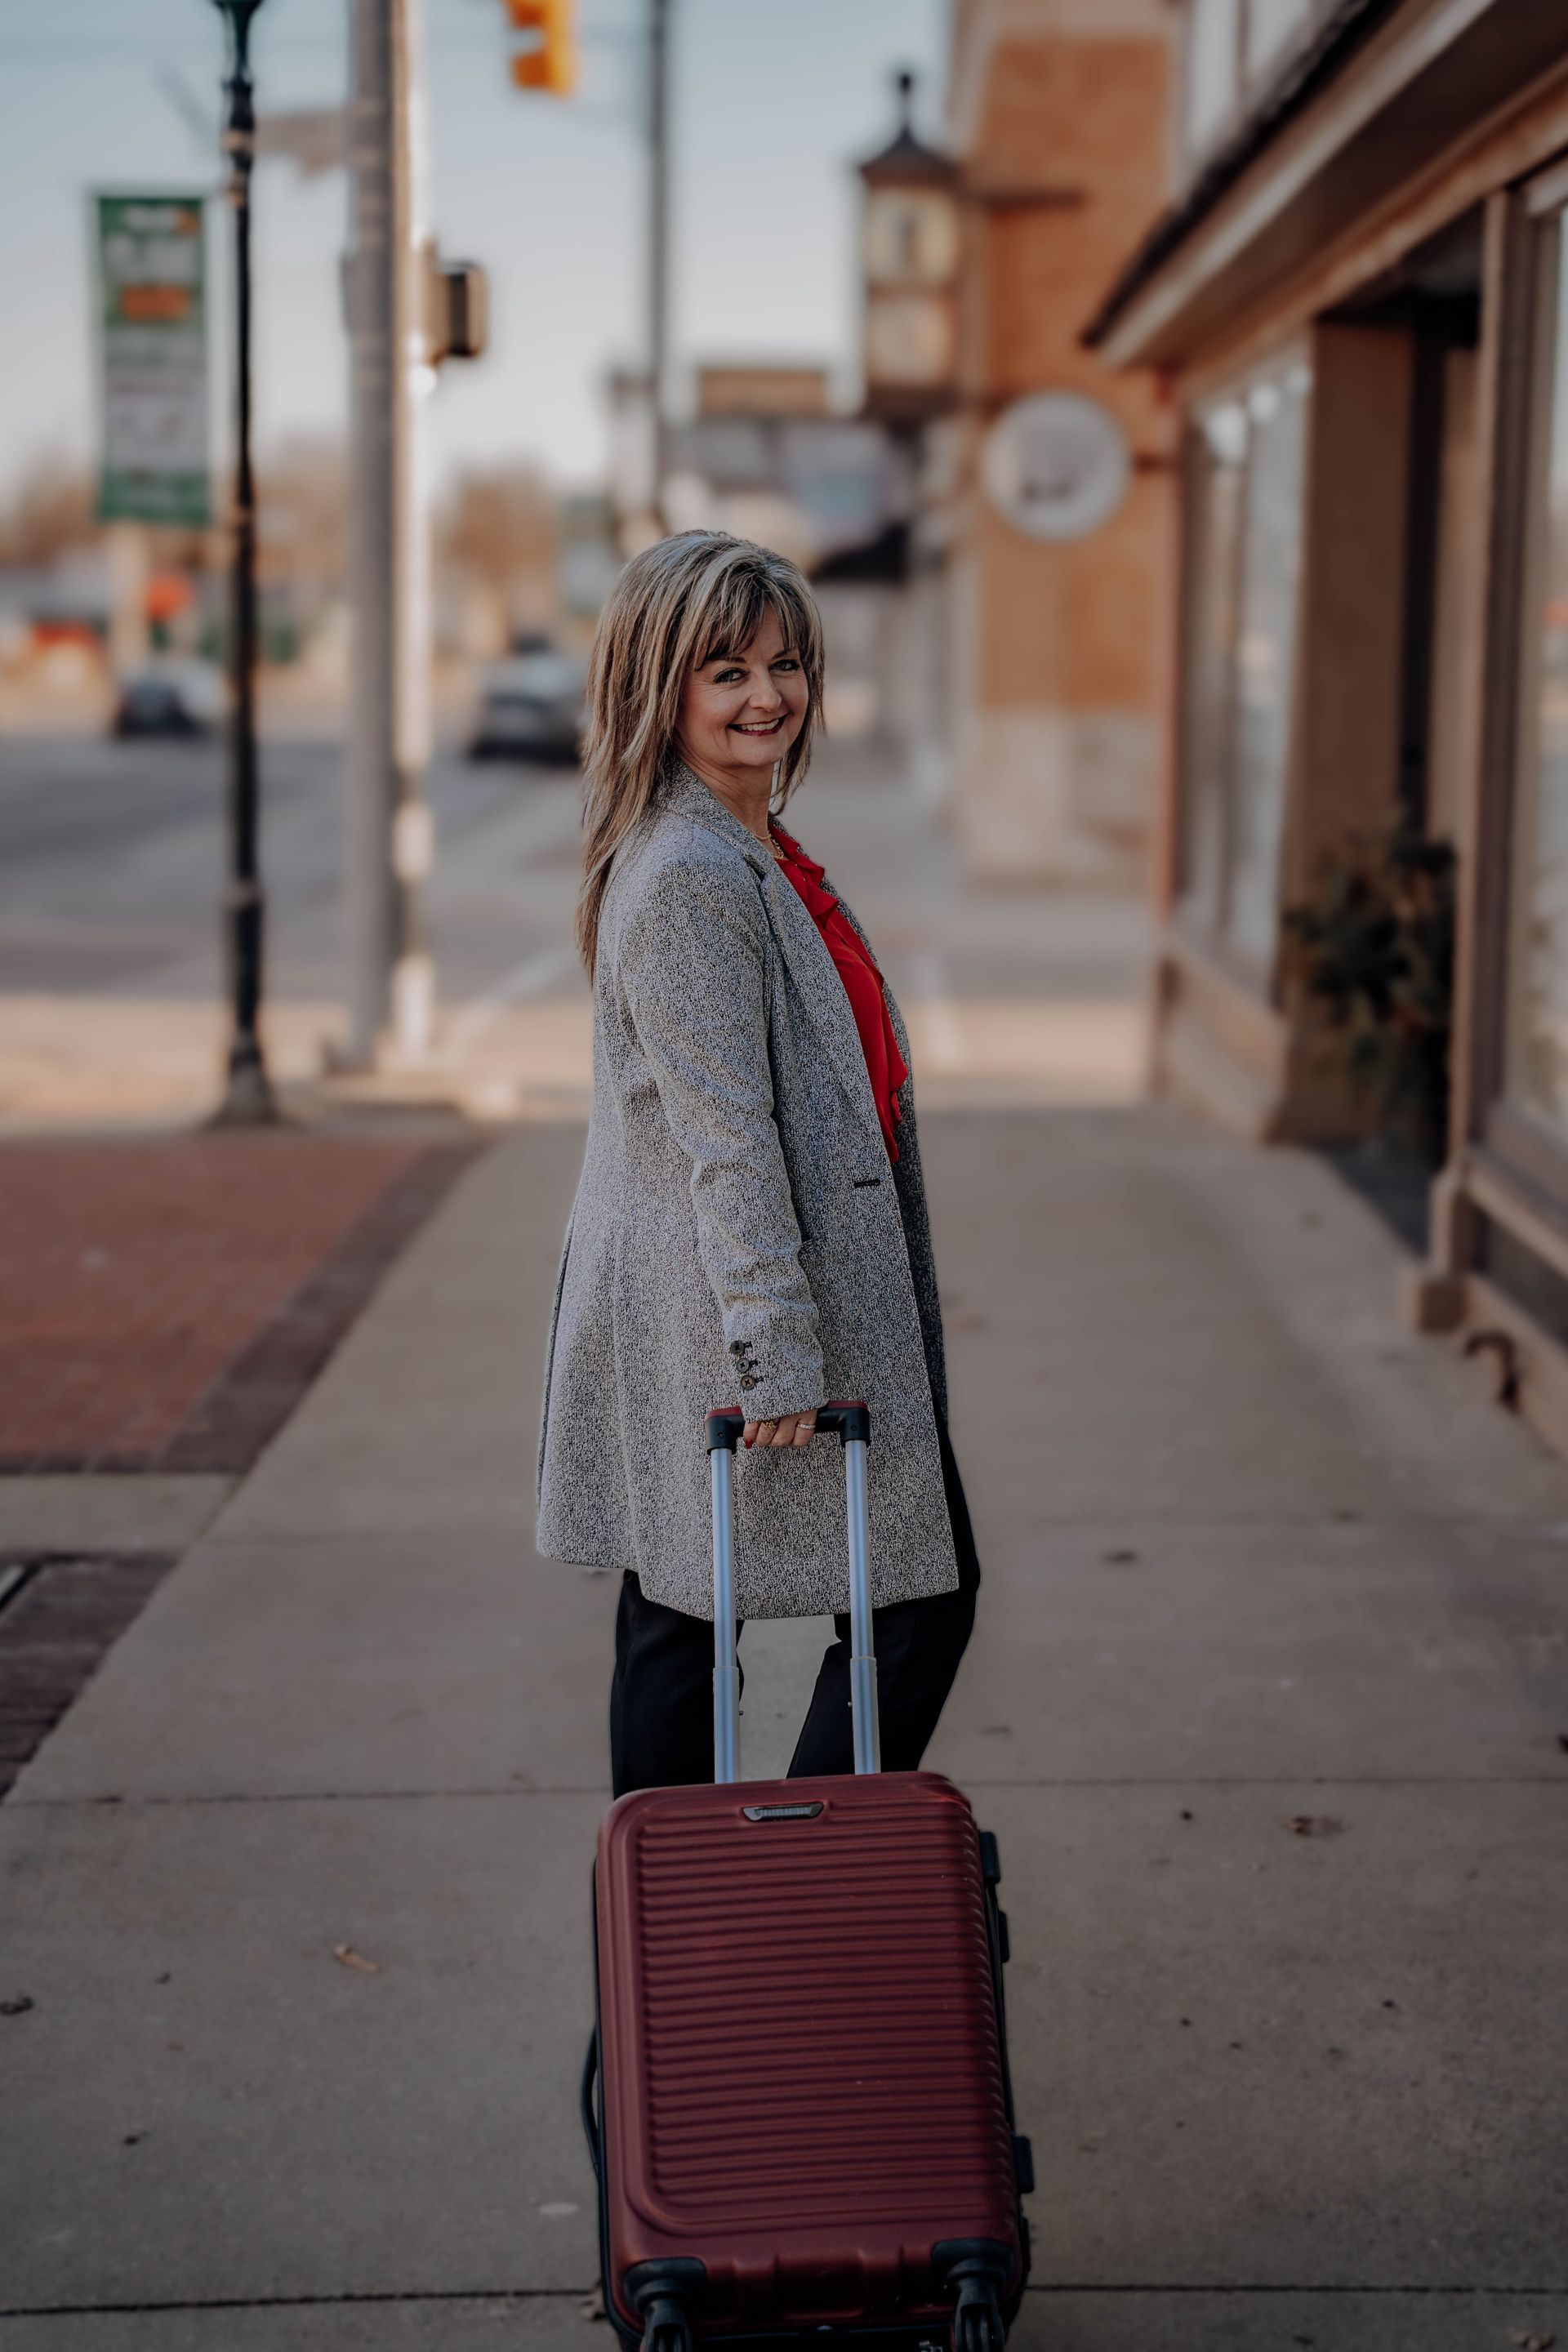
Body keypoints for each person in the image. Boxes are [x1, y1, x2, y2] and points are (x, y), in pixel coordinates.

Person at [536, 531, 979, 1796]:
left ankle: (690, 1947)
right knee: (873, 1607)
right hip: (732, 1307)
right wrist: (775, 1346)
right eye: (724, 669)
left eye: (784, 664)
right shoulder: (687, 874)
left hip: (760, 1290)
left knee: (691, 1615)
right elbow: (722, 1133)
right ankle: (741, 1910)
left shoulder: (752, 845)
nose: (766, 696)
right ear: (655, 684)